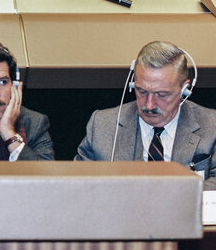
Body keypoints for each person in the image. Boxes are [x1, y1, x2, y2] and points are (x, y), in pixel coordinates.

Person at [75, 41, 216, 189]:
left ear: (184, 90)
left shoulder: (211, 127)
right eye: (141, 91)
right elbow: (79, 186)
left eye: (162, 94)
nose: (149, 105)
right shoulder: (102, 126)